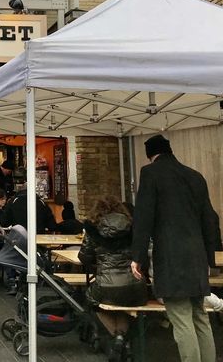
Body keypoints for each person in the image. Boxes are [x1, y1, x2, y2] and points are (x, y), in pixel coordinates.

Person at [131, 134, 219, 362]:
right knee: (200, 315)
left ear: (151, 154)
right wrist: (210, 258)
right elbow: (210, 219)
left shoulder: (150, 173)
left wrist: (137, 256)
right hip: (197, 256)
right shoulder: (195, 176)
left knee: (180, 317)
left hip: (171, 257)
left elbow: (143, 217)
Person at [79, 195, 148, 347]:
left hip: (105, 287)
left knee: (92, 300)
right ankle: (121, 337)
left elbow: (84, 258)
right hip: (135, 287)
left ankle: (116, 337)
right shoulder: (134, 227)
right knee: (125, 305)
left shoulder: (92, 229)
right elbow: (145, 255)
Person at [0, 167, 57, 233]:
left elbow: (4, 223)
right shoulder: (41, 203)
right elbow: (52, 226)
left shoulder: (13, 202)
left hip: (19, 238)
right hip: (37, 239)